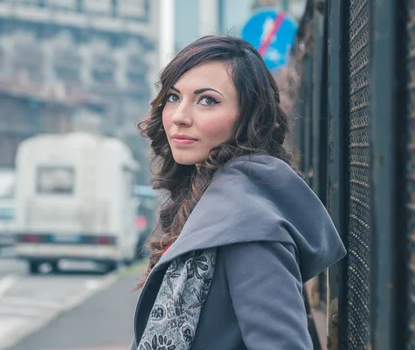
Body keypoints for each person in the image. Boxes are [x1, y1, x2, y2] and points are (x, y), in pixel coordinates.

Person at [131, 35, 346, 350]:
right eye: (174, 97)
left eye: (207, 100)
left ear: (249, 117)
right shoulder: (209, 199)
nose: (179, 116)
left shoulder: (247, 224)